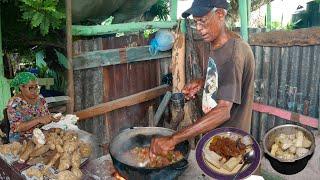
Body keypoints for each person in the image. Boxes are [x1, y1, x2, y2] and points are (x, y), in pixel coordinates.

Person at [150, 0, 255, 157]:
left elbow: (223, 111)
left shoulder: (233, 54)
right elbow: (222, 75)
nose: (198, 28)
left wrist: (173, 139)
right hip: (217, 138)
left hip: (230, 145)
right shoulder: (219, 42)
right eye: (196, 21)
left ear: (220, 14)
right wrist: (202, 81)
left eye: (202, 21)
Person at [6, 72, 57, 142]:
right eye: (30, 88)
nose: (34, 91)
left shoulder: (40, 99)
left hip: (40, 134)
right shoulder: (14, 103)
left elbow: (46, 116)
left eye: (36, 87)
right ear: (21, 87)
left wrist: (52, 117)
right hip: (21, 139)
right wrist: (38, 120)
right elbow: (17, 127)